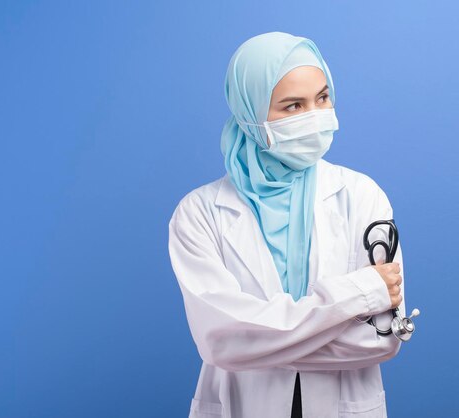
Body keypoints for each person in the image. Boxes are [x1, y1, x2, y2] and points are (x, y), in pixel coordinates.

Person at [168, 31, 406, 418]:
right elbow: (221, 343)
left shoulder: (362, 195)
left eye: (323, 98)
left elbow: (381, 340)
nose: (315, 117)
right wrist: (360, 292)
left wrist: (260, 340)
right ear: (251, 113)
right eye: (293, 106)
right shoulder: (199, 213)